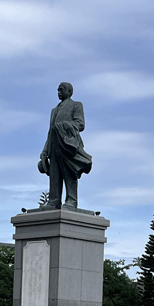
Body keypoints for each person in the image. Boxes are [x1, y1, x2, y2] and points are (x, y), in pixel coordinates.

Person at [38, 81, 93, 210]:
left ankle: (71, 201)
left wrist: (64, 126)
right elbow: (50, 132)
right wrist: (45, 151)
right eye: (58, 90)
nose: (59, 92)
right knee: (54, 174)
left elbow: (80, 124)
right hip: (54, 145)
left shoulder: (76, 105)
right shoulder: (54, 110)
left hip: (68, 144)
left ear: (69, 92)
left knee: (69, 172)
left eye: (61, 90)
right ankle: (54, 200)